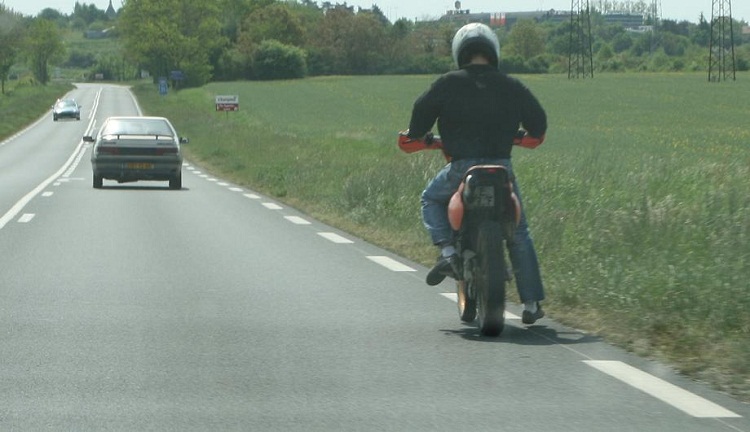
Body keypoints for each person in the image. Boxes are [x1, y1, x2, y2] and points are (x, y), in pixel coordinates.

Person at [405, 22, 548, 324]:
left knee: (430, 199)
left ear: (461, 52)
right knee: (519, 232)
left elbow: (419, 119)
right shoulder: (511, 85)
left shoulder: (447, 83)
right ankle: (532, 303)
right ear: (493, 51)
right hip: (501, 169)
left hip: (461, 168)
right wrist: (521, 134)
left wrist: (419, 133)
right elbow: (539, 124)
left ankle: (447, 253)